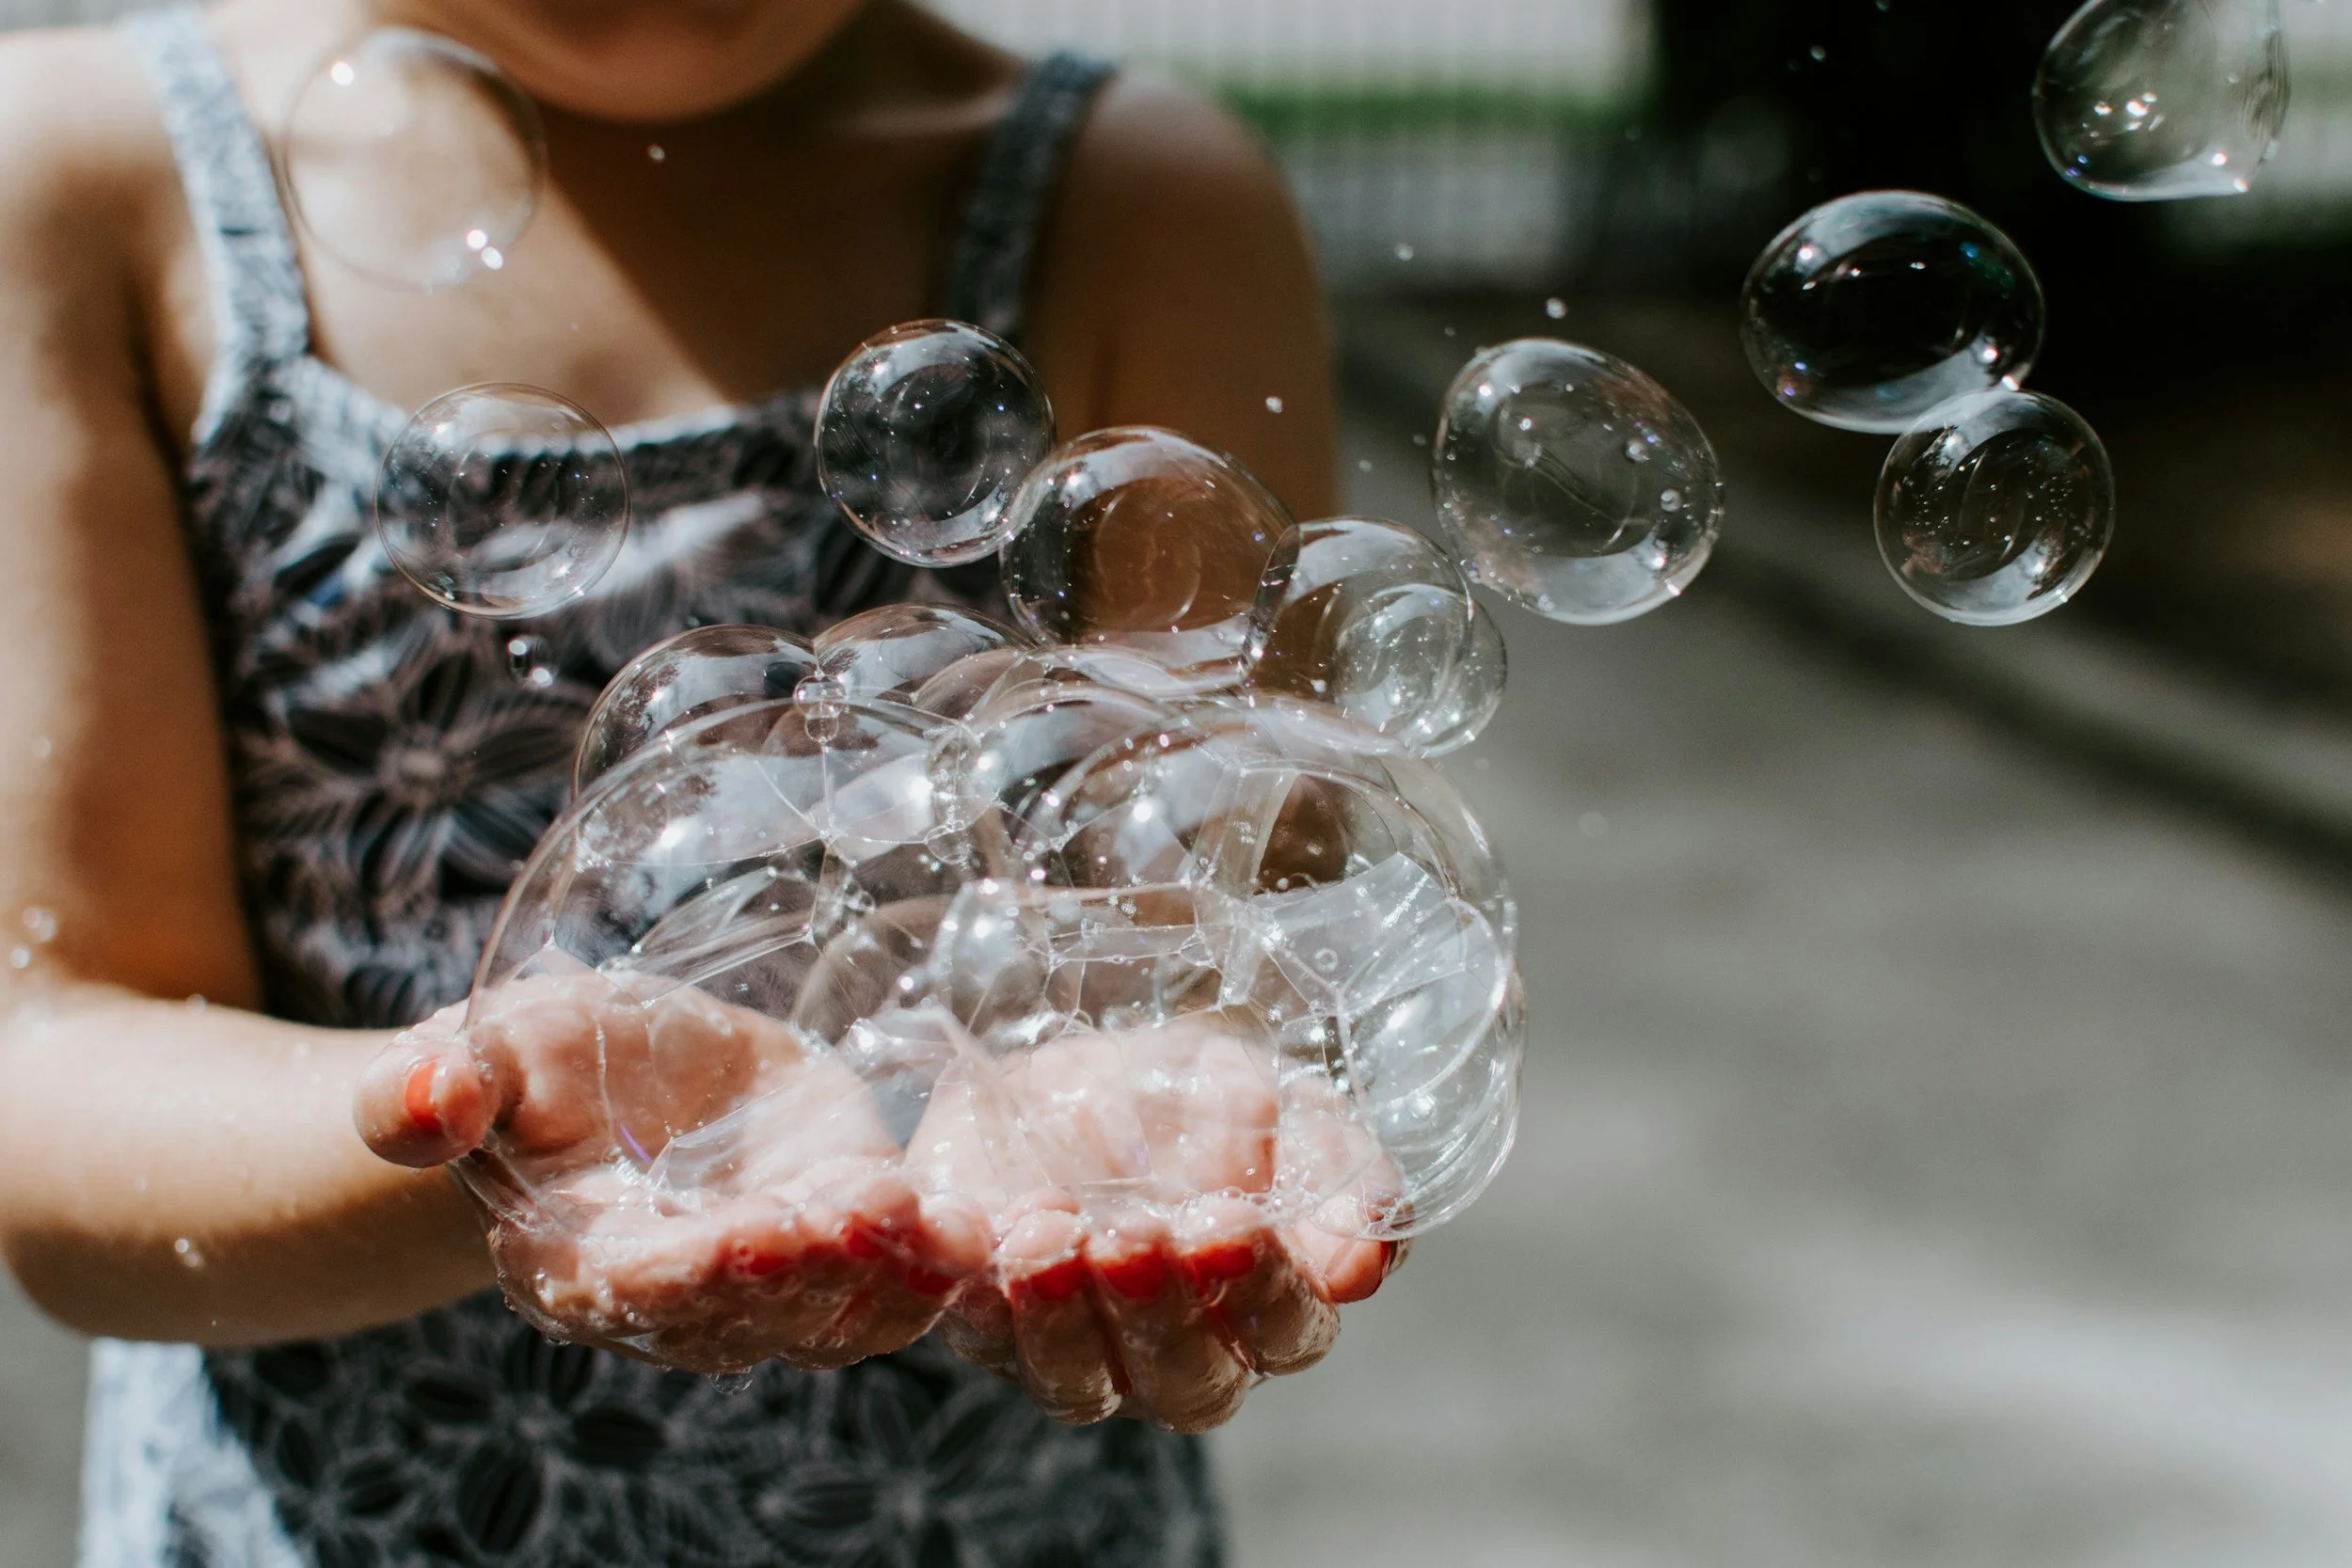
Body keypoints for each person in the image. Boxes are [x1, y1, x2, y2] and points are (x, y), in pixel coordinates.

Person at [0, 0, 1380, 1562]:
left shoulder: (1138, 207)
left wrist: (1162, 1111)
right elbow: (48, 1072)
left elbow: (1234, 931)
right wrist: (492, 1142)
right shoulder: (87, 178)